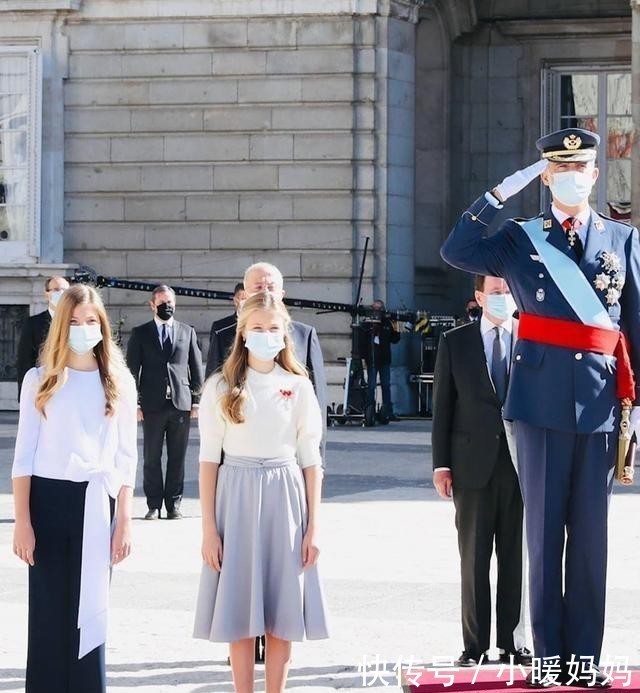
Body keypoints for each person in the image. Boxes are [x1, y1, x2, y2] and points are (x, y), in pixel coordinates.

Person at [441, 128, 640, 688]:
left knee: (591, 541)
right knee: (544, 536)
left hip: (602, 404)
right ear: (546, 175)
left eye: (582, 168)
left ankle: (585, 662)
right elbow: (455, 250)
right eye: (560, 168)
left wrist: (637, 403)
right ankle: (550, 662)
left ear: (595, 175)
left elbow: (636, 326)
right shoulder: (519, 238)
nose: (573, 176)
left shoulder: (622, 240)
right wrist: (498, 195)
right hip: (538, 402)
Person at [193, 292, 330, 692]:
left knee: (281, 612)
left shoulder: (299, 386)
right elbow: (207, 459)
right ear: (242, 332)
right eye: (257, 328)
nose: (266, 335)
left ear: (285, 332)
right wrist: (208, 529)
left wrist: (313, 528)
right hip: (234, 496)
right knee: (238, 610)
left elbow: (310, 459)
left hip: (286, 497)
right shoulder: (220, 386)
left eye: (274, 328)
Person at [11, 284, 137, 693]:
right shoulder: (40, 379)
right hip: (48, 502)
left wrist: (125, 522)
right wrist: (22, 522)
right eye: (75, 322)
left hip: (97, 503)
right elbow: (24, 456)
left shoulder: (117, 380)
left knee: (91, 609)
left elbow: (125, 458)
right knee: (48, 612)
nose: (84, 329)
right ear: (61, 327)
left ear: (102, 326)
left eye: (91, 322)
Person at [432, 274, 530, 668]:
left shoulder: (531, 338)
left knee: (515, 558)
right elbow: (443, 408)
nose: (503, 297)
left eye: (508, 291)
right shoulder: (455, 341)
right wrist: (441, 464)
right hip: (471, 467)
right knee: (473, 560)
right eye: (495, 292)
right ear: (478, 296)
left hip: (522, 467)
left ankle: (513, 641)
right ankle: (474, 645)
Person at [126, 284, 204, 520]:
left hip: (180, 403)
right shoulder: (140, 333)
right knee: (152, 456)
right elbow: (132, 370)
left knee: (177, 457)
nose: (166, 306)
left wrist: (197, 401)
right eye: (161, 303)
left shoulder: (186, 331)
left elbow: (195, 366)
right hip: (151, 405)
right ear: (152, 305)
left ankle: (173, 505)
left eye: (169, 302)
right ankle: (153, 504)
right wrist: (135, 404)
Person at [16, 275, 70, 398]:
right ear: (47, 294)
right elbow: (24, 360)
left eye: (65, 290)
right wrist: (25, 395)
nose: (61, 293)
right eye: (56, 289)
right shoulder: (33, 323)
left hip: (70, 389)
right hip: (43, 389)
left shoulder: (76, 322)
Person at [360, 299, 401, 421]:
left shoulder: (387, 323)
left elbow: (395, 339)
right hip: (372, 359)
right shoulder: (366, 324)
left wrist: (396, 326)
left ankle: (388, 411)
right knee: (371, 385)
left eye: (379, 309)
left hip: (384, 359)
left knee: (386, 385)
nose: (377, 312)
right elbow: (361, 342)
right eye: (375, 309)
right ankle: (369, 410)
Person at [205, 282, 246, 378]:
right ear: (236, 301)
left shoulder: (261, 326)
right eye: (243, 298)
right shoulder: (220, 328)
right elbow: (213, 363)